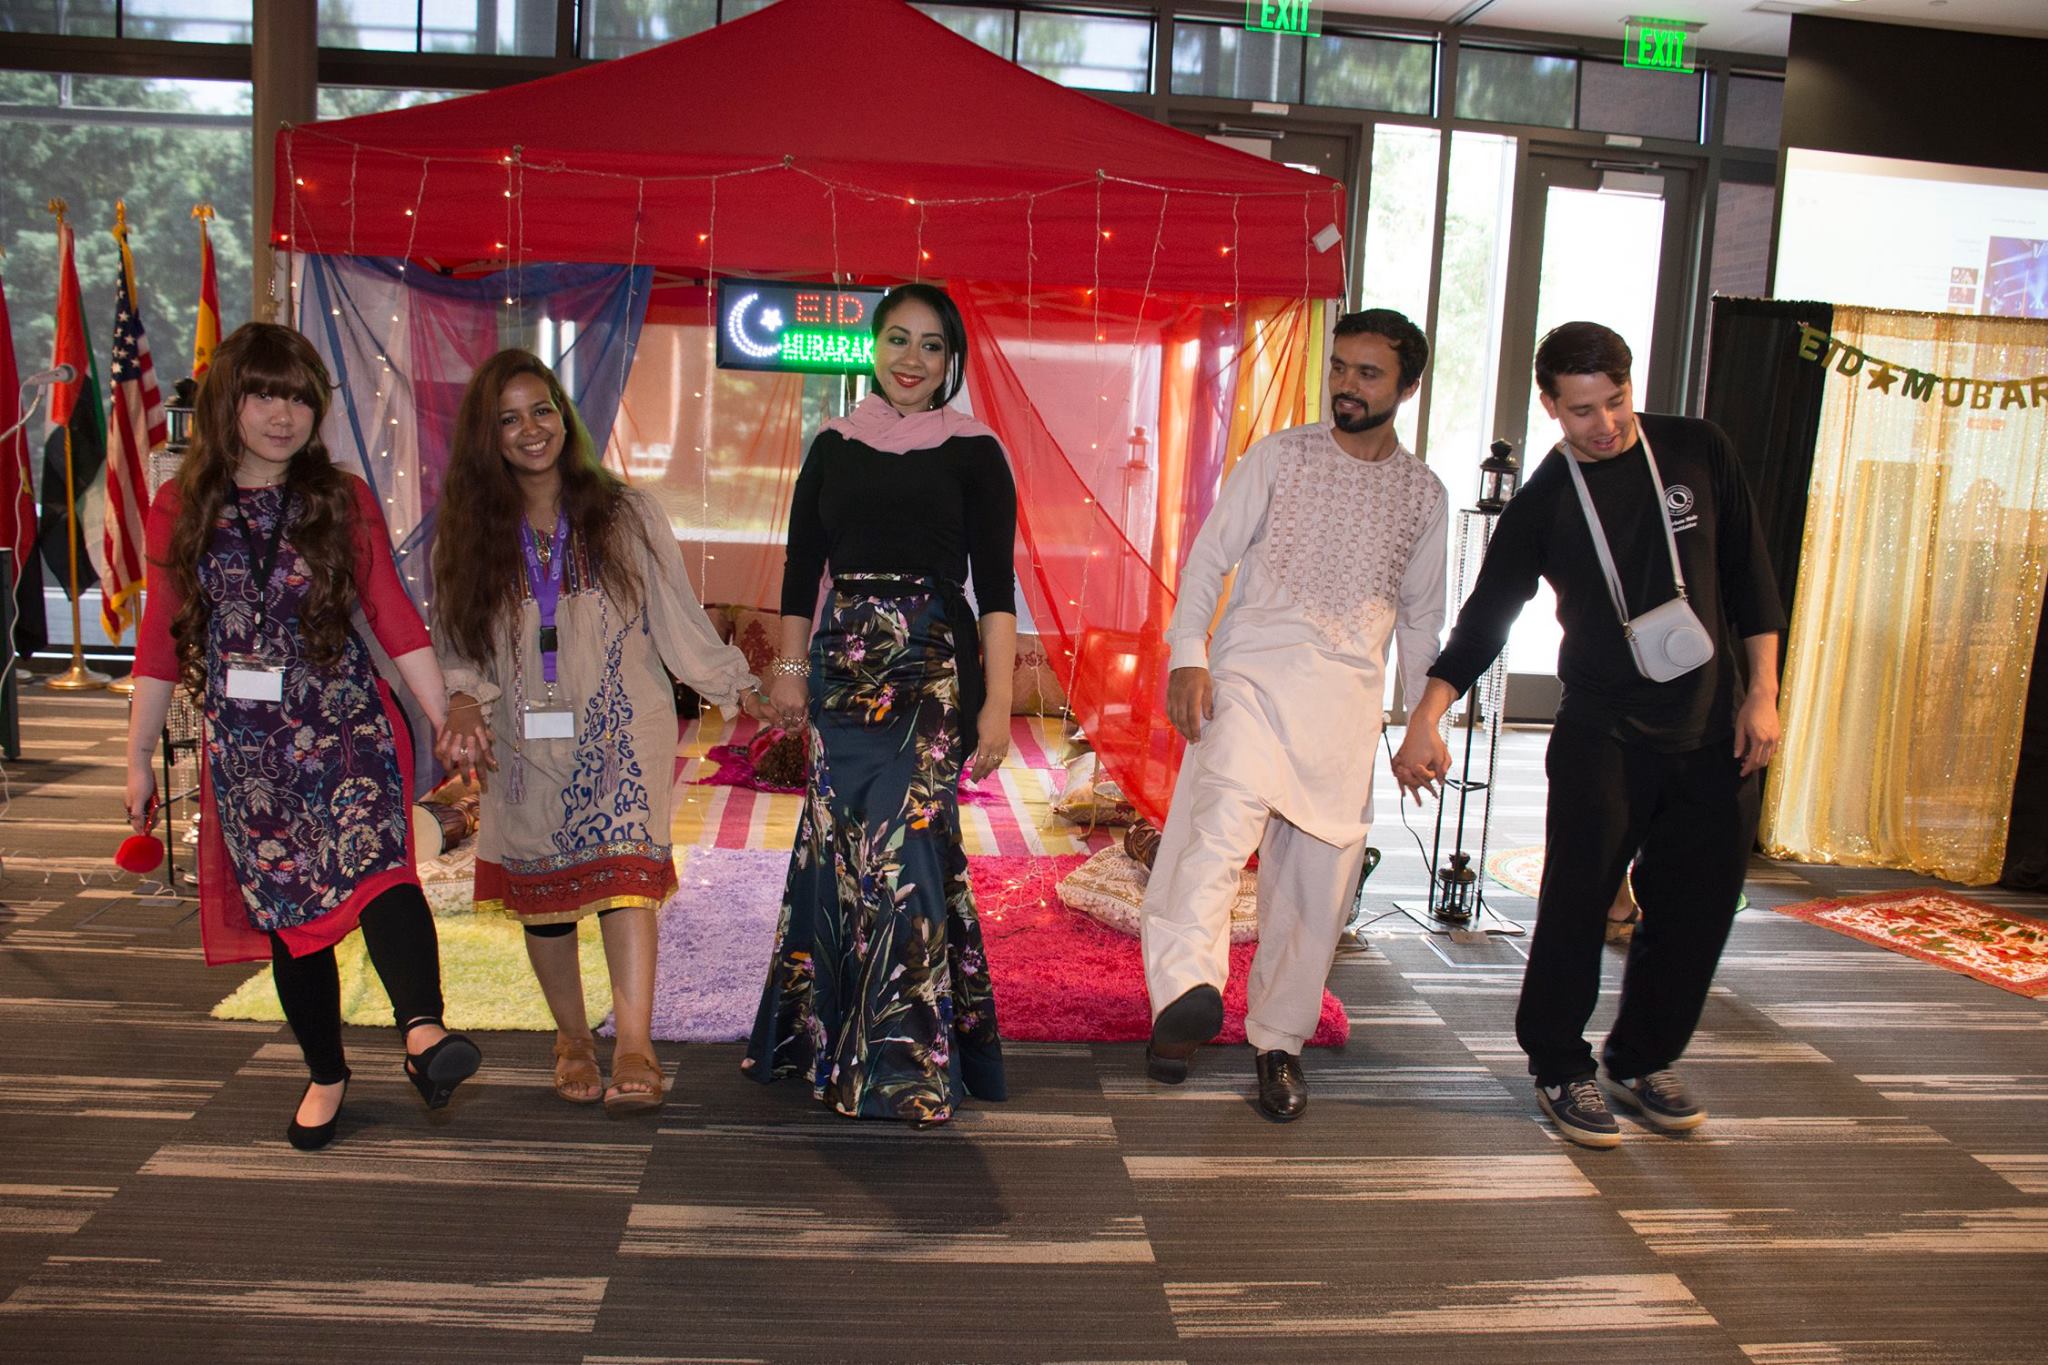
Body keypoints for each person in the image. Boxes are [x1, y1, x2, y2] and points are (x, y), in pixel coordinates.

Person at [1404, 320, 1785, 1149]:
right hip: (1602, 735)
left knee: (1699, 907)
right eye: (1582, 411)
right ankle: (1560, 1066)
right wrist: (1427, 716)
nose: (1605, 425)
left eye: (1615, 402)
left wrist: (1764, 693)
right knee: (1577, 906)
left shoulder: (1698, 449)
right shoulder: (1544, 500)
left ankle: (1645, 1056)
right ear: (1550, 405)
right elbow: (1485, 622)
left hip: (1713, 729)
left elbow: (1752, 576)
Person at [123, 321, 479, 1152]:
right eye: (263, 393)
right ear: (228, 402)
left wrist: (438, 710)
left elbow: (393, 612)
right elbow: (158, 636)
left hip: (345, 724)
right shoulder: (180, 503)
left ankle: (424, 1035)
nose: (282, 413)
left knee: (383, 865)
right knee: (294, 919)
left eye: (297, 395)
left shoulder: (340, 497)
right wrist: (137, 753)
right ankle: (327, 1070)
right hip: (249, 751)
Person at [432, 350, 763, 1117]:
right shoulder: (471, 532)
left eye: (541, 410)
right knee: (543, 889)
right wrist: (464, 700)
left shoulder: (626, 514)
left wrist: (739, 684)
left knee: (626, 876)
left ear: (565, 416)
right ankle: (573, 1036)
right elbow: (460, 638)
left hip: (624, 726)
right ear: (490, 435)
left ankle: (636, 1044)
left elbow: (678, 617)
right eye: (508, 418)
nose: (530, 430)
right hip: (522, 737)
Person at [1140, 307, 1449, 1123]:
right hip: (1248, 680)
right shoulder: (1281, 456)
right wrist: (1189, 657)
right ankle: (1184, 999)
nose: (1347, 385)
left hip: (1345, 707)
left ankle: (1278, 1042)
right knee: (1211, 833)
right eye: (1340, 368)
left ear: (1408, 386)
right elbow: (1208, 556)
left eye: (1368, 373)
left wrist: (1425, 719)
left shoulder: (1424, 495)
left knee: (1316, 889)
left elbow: (1422, 619)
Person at [744, 283, 1015, 1127]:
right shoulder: (831, 444)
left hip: (933, 665)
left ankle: (906, 1059)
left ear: (951, 361)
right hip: (840, 667)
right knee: (839, 846)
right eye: (897, 339)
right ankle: (827, 1040)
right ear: (873, 347)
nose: (911, 359)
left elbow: (998, 592)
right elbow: (800, 569)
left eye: (931, 346)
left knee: (909, 850)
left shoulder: (976, 450)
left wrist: (999, 704)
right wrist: (788, 668)